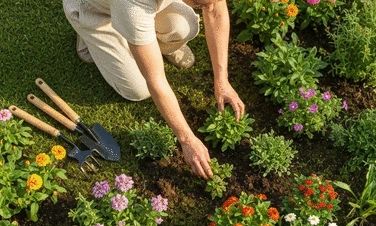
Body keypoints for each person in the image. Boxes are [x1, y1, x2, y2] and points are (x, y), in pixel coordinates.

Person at [62, 0, 245, 179]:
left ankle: (144, 42)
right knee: (138, 88)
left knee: (185, 26)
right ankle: (88, 33)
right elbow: (156, 81)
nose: (205, 8)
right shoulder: (133, 6)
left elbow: (215, 9)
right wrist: (187, 139)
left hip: (134, 10)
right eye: (199, 5)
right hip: (97, 11)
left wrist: (222, 81)